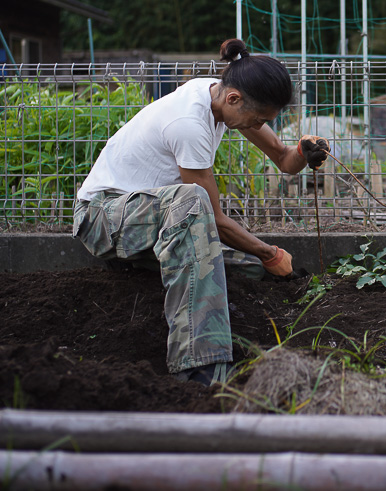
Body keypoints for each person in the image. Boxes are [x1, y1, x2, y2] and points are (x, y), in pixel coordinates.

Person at [73, 38, 329, 387]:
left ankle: (135, 261)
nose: (258, 126)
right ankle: (199, 369)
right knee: (195, 202)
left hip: (148, 216)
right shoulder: (189, 123)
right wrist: (271, 253)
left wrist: (303, 150)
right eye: (257, 120)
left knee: (249, 269)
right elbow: (215, 220)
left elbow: (284, 159)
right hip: (103, 217)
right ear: (234, 99)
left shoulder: (216, 94)